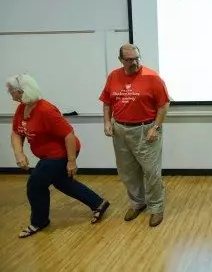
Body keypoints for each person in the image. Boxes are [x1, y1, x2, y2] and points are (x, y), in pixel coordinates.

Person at [6, 74, 110, 238]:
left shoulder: (45, 110)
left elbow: (68, 134)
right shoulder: (22, 108)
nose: (9, 93)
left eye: (11, 90)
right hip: (47, 154)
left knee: (35, 185)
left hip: (60, 153)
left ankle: (39, 222)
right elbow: (16, 133)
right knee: (63, 183)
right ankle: (98, 203)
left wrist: (71, 162)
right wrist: (19, 153)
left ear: (21, 91)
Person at [99, 43, 170, 227]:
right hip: (120, 130)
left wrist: (156, 126)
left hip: (145, 130)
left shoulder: (152, 77)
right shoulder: (114, 76)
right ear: (121, 60)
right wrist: (107, 122)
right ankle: (138, 203)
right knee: (127, 172)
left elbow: (163, 104)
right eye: (129, 60)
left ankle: (156, 208)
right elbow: (107, 102)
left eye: (137, 58)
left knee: (151, 172)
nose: (134, 62)